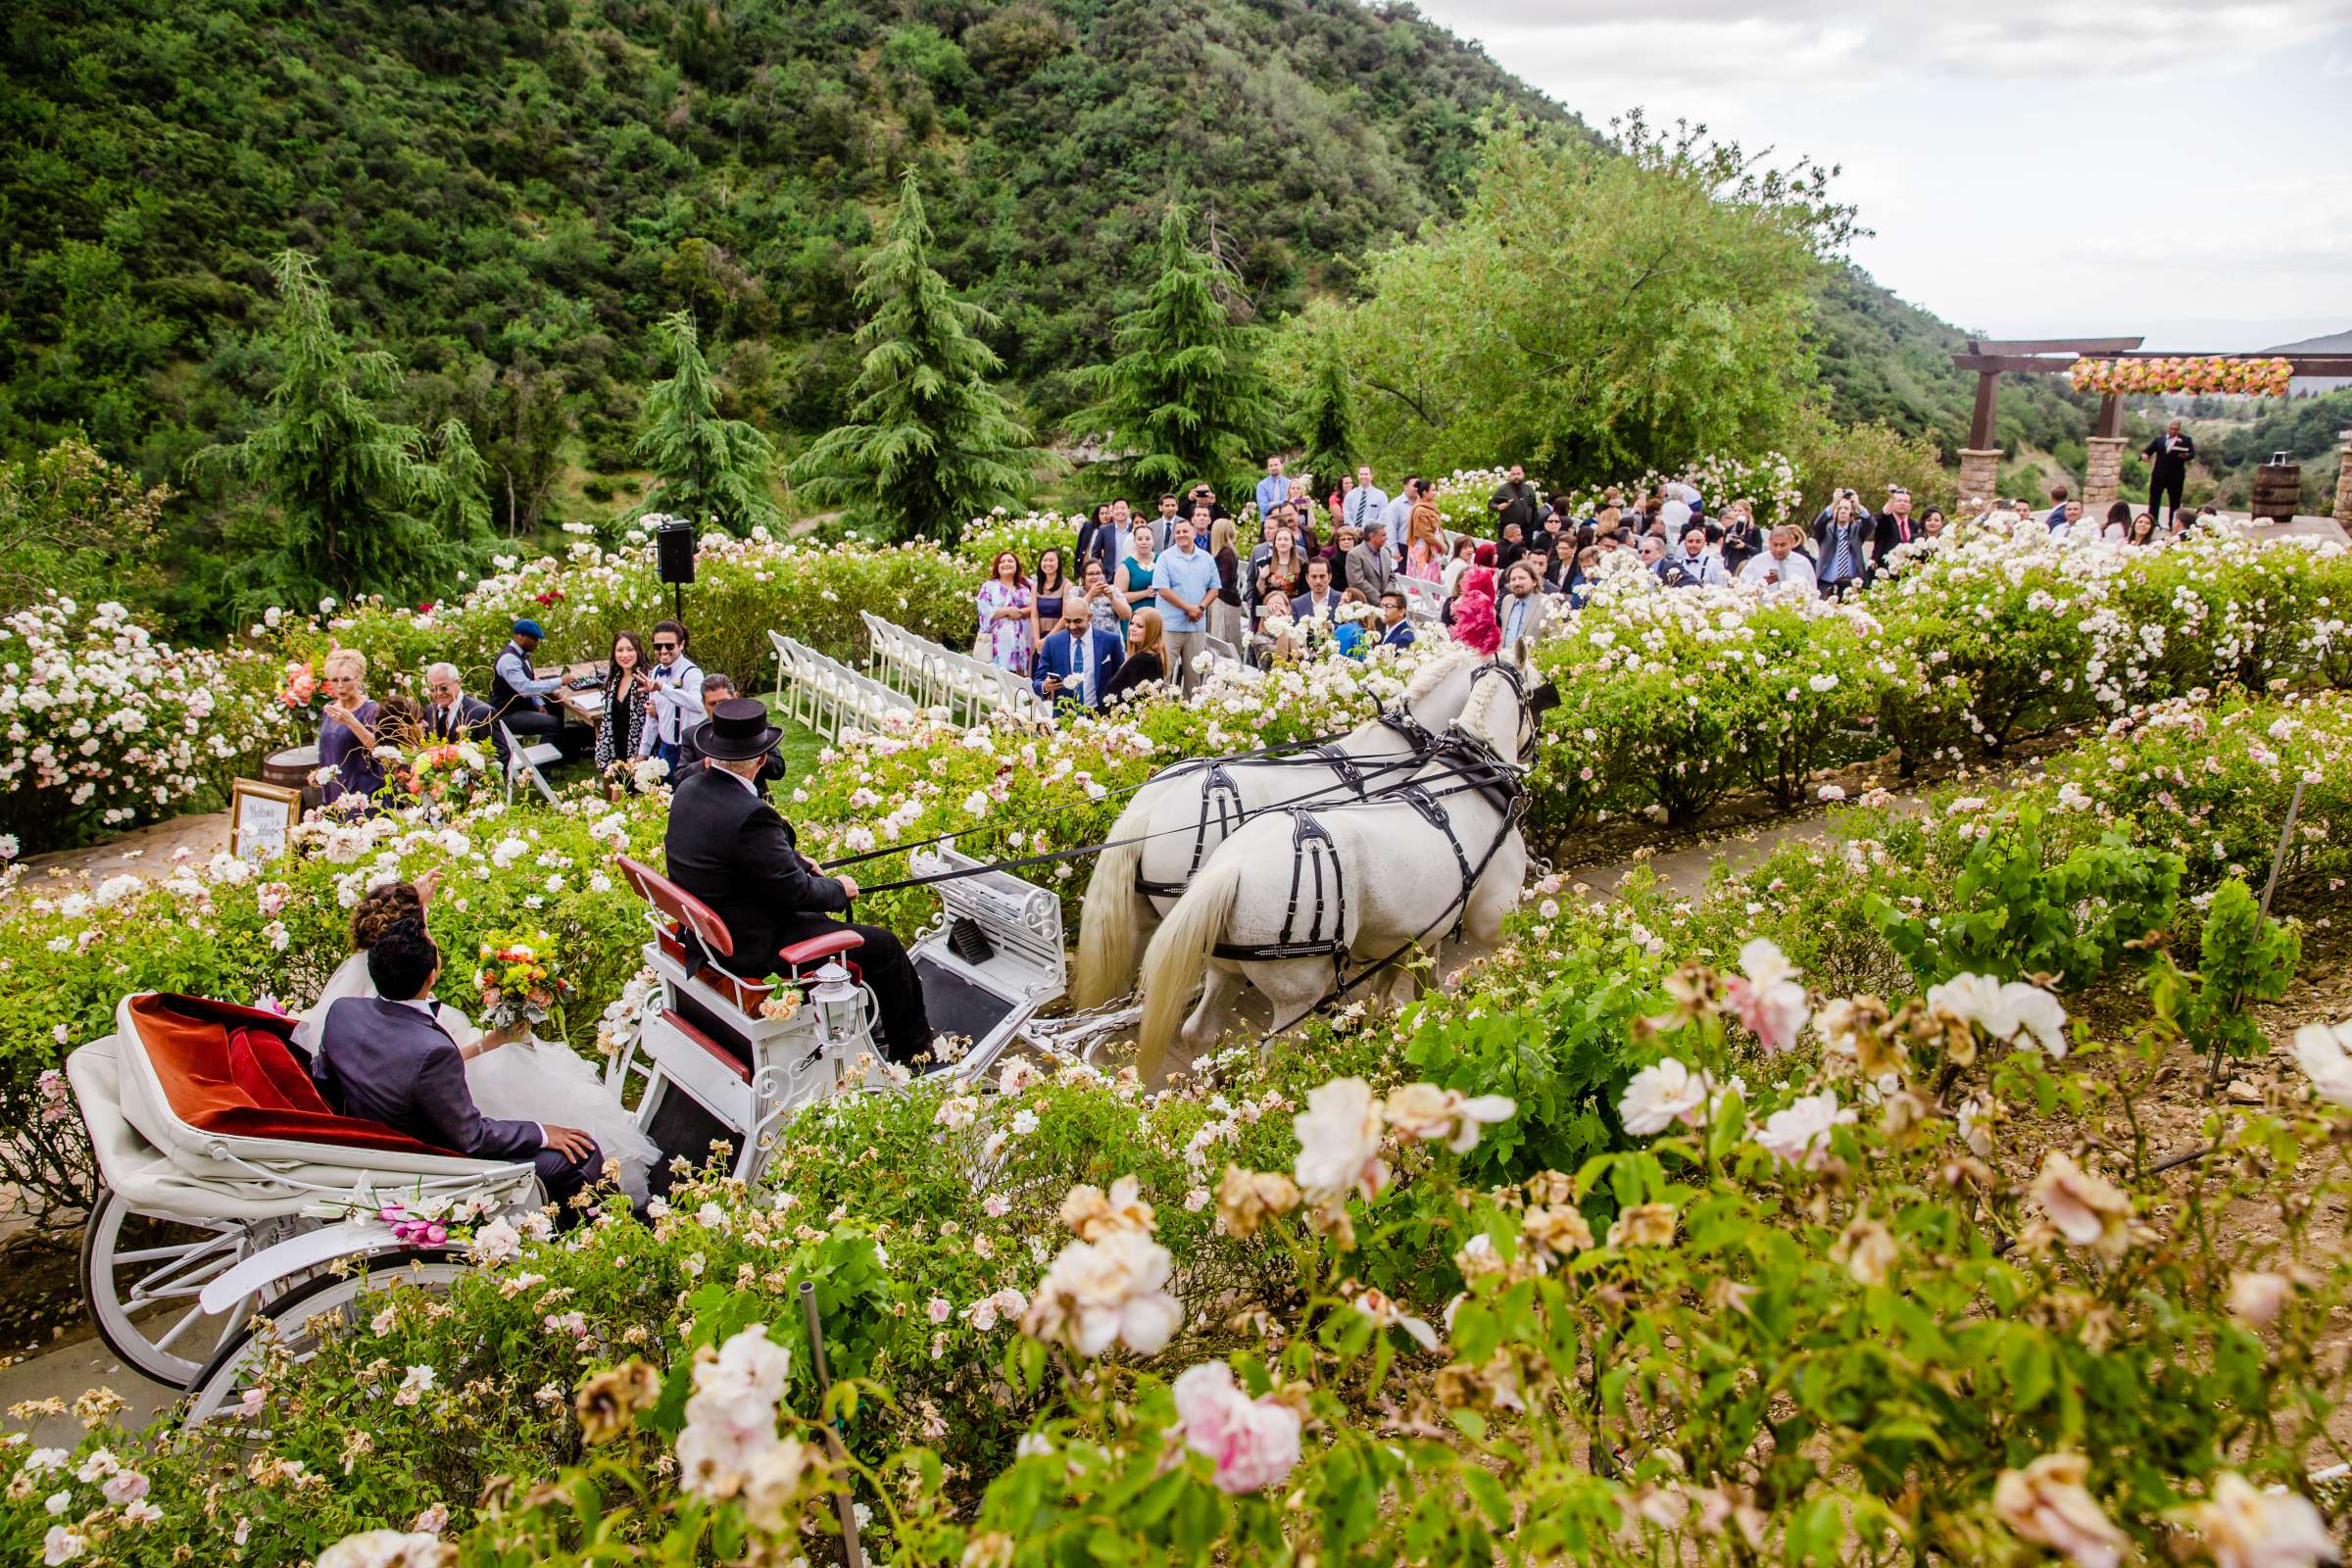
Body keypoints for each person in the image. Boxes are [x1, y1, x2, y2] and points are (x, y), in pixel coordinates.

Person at [295, 879, 656, 1200]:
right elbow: (471, 1137)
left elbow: (324, 1076)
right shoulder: (432, 1052)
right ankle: (587, 1233)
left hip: (376, 1137)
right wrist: (542, 1133)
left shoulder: (343, 1012)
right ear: (431, 975)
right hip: (429, 1163)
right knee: (583, 1151)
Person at [664, 699, 934, 1063]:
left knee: (863, 940)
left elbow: (734, 855)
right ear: (760, 761)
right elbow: (794, 892)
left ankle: (877, 1026)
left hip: (715, 929)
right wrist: (840, 889)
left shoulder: (690, 790)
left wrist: (796, 861)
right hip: (754, 944)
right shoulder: (751, 814)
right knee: (884, 947)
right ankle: (915, 1055)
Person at [675, 672, 785, 788]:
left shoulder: (756, 727)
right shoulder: (692, 735)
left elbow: (778, 770)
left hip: (754, 800)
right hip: (711, 801)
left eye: (724, 702)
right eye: (712, 704)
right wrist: (706, 763)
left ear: (735, 697)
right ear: (703, 704)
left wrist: (751, 754)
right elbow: (679, 777)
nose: (718, 709)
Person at [1153, 512, 1221, 694]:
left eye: (1185, 531)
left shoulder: (1206, 558)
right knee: (1164, 676)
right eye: (1178, 533)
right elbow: (1163, 589)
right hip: (1171, 625)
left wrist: (1199, 608)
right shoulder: (1165, 558)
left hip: (1196, 626)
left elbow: (1214, 589)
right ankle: (1160, 714)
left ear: (1193, 533)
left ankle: (1191, 714)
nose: (1181, 535)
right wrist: (1188, 608)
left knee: (1194, 677)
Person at [318, 648, 386, 809]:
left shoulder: (372, 710)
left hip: (363, 792)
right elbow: (327, 749)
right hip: (335, 792)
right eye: (334, 680)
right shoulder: (329, 709)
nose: (340, 686)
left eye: (346, 680)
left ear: (359, 678)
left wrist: (352, 722)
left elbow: (380, 750)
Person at [1033, 598, 1126, 716]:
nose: (1072, 626)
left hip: (1100, 716)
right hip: (1065, 718)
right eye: (1067, 621)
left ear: (1089, 617)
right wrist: (1044, 686)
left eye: (1077, 621)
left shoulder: (1110, 641)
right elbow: (1036, 682)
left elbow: (1121, 680)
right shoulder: (1053, 643)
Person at [638, 619, 705, 777]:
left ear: (681, 645)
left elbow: (697, 704)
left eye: (669, 646)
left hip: (688, 750)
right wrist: (643, 752)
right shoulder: (655, 672)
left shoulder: (692, 673)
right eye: (657, 646)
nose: (663, 651)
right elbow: (652, 717)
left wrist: (662, 688)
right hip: (666, 748)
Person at [490, 618, 565, 754]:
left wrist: (539, 703)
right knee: (553, 723)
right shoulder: (509, 659)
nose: (536, 643)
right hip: (507, 713)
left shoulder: (521, 654)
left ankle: (560, 753)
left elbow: (528, 681)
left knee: (556, 706)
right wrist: (560, 681)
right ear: (520, 636)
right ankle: (542, 768)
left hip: (520, 706)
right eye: (534, 639)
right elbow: (525, 688)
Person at [594, 630, 654, 783]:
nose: (625, 655)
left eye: (630, 649)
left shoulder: (648, 679)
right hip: (618, 748)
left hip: (641, 751)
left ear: (638, 651)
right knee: (617, 801)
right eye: (620, 650)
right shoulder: (614, 680)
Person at [976, 551, 1034, 674]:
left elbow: (1038, 606)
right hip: (999, 645)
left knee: (1022, 682)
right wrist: (1008, 611)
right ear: (997, 566)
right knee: (1000, 680)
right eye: (1002, 561)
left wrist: (1020, 612)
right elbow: (984, 611)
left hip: (1025, 642)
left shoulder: (1027, 585)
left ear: (1016, 565)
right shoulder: (989, 586)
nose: (1006, 564)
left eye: (1010, 561)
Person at [1101, 608, 1168, 705]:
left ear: (1152, 631)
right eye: (1131, 623)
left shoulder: (1140, 660)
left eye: (1139, 626)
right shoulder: (1156, 657)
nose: (1132, 628)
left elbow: (1114, 692)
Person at [1813, 495, 1872, 597]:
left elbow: (1871, 523)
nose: (1842, 511)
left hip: (1851, 585)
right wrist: (1834, 502)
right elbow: (1818, 524)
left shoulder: (1857, 530)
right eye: (1839, 508)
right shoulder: (1826, 530)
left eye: (1846, 508)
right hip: (1826, 584)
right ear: (1834, 511)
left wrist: (1858, 506)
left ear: (1851, 512)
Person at [1252, 523, 1310, 623]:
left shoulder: (1302, 565)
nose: (1282, 542)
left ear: (1292, 543)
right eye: (1279, 539)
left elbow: (1305, 593)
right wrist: (1261, 578)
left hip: (1293, 614)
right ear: (1275, 543)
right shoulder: (1266, 563)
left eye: (1286, 539)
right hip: (1269, 613)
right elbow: (1259, 594)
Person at [1739, 526, 1818, 597]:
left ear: (1792, 542)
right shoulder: (1757, 562)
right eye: (1775, 545)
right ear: (1769, 542)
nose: (1778, 549)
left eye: (1783, 545)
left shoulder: (1802, 563)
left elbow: (1813, 592)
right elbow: (1742, 589)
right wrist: (1761, 583)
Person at [422, 663, 493, 744]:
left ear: (458, 683)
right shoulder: (430, 710)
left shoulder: (482, 712)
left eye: (443, 688)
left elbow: (501, 753)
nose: (439, 693)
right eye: (433, 689)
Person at [2143, 420, 2194, 527]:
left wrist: (2186, 455)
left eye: (2176, 429)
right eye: (2172, 429)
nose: (2173, 431)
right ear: (2168, 428)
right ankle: (2153, 522)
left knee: (2175, 502)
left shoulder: (2186, 440)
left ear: (2179, 429)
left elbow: (2192, 454)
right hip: (2158, 475)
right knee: (2154, 500)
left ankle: (2173, 524)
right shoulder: (2159, 440)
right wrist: (2145, 455)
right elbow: (2148, 450)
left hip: (2176, 476)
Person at [1205, 516, 1244, 652]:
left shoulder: (1227, 553)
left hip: (1225, 601)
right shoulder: (1223, 552)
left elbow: (1223, 582)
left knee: (1223, 639)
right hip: (1218, 599)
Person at [1496, 559, 1550, 646]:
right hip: (1504, 657)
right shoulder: (1507, 601)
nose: (1517, 583)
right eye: (1513, 579)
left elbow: (1555, 639)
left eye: (1522, 578)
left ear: (1534, 581)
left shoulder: (1547, 603)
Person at [1076, 557, 1131, 637]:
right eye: (1090, 574)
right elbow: (1072, 613)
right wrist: (1090, 594)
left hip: (1111, 641)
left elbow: (1127, 615)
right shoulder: (1076, 592)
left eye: (1098, 573)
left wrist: (1112, 598)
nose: (1095, 577)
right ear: (1083, 578)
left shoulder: (1113, 590)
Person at [1029, 548, 1068, 655]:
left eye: (1051, 560)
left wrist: (1046, 640)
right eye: (1045, 560)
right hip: (1039, 635)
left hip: (1058, 635)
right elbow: (1034, 615)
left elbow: (1065, 616)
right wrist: (1037, 640)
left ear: (1058, 563)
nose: (1048, 563)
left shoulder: (1066, 585)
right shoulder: (1036, 586)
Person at [1118, 520, 1158, 617]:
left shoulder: (1162, 560)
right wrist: (1145, 593)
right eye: (1140, 539)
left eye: (1148, 539)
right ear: (1134, 541)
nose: (1144, 542)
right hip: (1135, 616)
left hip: (1158, 615)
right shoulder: (1126, 566)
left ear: (1153, 540)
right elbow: (1119, 597)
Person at [1347, 518, 1395, 600]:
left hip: (1385, 603)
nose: (1386, 538)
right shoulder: (1354, 554)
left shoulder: (1386, 552)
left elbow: (1392, 577)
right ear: (1372, 536)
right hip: (1365, 605)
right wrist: (1379, 599)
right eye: (1383, 535)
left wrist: (1387, 597)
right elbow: (1358, 582)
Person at [1490, 464, 1537, 543]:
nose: (1516, 476)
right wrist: (1498, 507)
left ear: (1523, 475)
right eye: (1513, 474)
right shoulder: (1504, 489)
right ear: (1510, 475)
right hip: (1509, 531)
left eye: (1518, 474)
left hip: (1526, 530)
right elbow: (1491, 504)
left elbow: (1534, 508)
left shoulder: (1528, 489)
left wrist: (1534, 526)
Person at [1872, 488, 1920, 560]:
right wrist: (1891, 498)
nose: (1902, 503)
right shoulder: (1885, 520)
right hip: (1883, 567)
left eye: (1906, 501)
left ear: (1910, 506)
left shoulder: (1914, 524)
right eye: (1898, 501)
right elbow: (1878, 519)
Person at [1342, 465, 1388, 537]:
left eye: (1366, 474)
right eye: (1361, 474)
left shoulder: (1381, 495)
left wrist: (1367, 530)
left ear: (1372, 476)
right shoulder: (1350, 495)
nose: (1363, 476)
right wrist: (1354, 529)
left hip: (1372, 535)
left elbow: (1382, 517)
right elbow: (1347, 514)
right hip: (1353, 534)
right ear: (1358, 476)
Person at [1296, 557, 1345, 622]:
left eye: (1322, 576)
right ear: (1307, 578)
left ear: (1330, 577)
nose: (1318, 581)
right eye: (1314, 576)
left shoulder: (1342, 599)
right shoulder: (1297, 604)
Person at [1254, 455, 1291, 521]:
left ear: (1282, 466)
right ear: (1268, 468)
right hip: (1267, 523)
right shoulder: (1262, 485)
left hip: (1286, 522)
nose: (1273, 468)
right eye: (1271, 465)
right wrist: (1285, 502)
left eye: (1276, 465)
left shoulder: (1289, 483)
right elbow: (1264, 508)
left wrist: (1272, 503)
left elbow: (1294, 502)